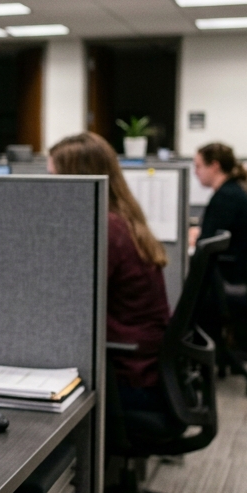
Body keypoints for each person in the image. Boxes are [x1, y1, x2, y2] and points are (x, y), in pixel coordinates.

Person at [48, 132, 171, 413]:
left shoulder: (106, 229)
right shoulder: (121, 218)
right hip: (146, 368)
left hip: (130, 378)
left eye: (53, 177)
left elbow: (71, 307)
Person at [190, 141, 247, 286]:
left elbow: (205, 243)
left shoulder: (224, 198)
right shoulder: (233, 191)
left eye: (198, 166)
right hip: (235, 272)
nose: (195, 172)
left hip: (225, 277)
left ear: (214, 166)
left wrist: (194, 238)